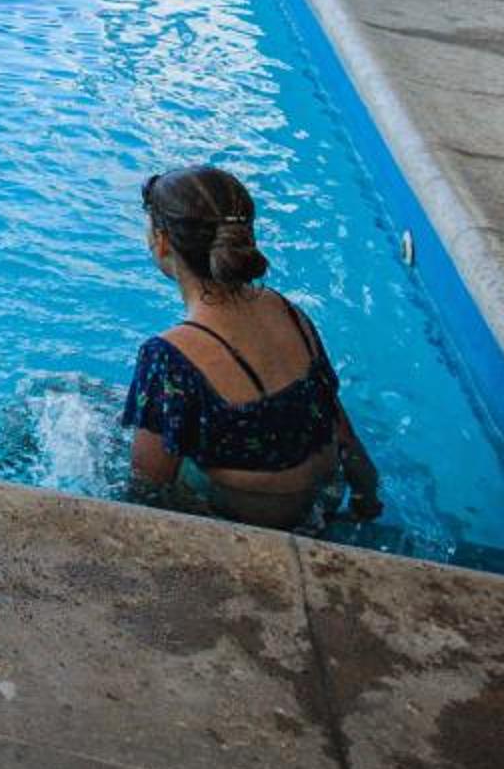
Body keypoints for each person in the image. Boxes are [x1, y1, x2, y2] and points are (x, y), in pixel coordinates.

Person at [120, 163, 380, 529]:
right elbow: (344, 435)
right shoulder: (286, 310)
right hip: (321, 505)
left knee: (91, 417)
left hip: (245, 521)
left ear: (161, 242)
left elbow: (146, 490)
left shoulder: (168, 357)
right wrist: (367, 500)